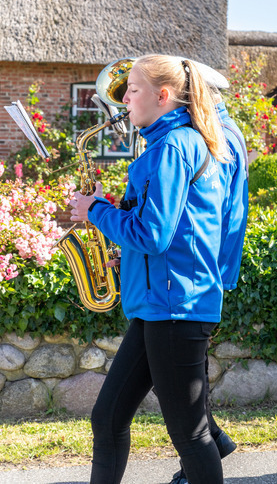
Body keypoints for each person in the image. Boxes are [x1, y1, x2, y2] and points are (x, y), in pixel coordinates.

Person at [69, 55, 233, 484]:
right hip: (160, 304)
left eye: (133, 89)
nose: (123, 99)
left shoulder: (173, 147)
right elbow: (170, 232)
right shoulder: (174, 143)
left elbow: (154, 235)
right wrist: (125, 245)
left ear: (163, 96)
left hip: (175, 307)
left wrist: (96, 211)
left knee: (191, 435)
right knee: (107, 418)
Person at [168, 64, 248, 484]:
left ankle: (202, 454)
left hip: (202, 270)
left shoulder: (220, 135)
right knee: (184, 374)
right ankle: (210, 444)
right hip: (204, 267)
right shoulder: (215, 131)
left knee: (185, 376)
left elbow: (216, 213)